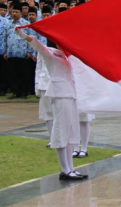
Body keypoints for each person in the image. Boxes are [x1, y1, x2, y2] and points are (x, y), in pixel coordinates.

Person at [15, 28, 87, 181]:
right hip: (60, 94)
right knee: (61, 130)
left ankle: (71, 168)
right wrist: (22, 35)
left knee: (70, 132)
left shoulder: (69, 57)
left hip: (71, 94)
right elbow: (38, 45)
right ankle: (65, 170)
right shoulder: (51, 53)